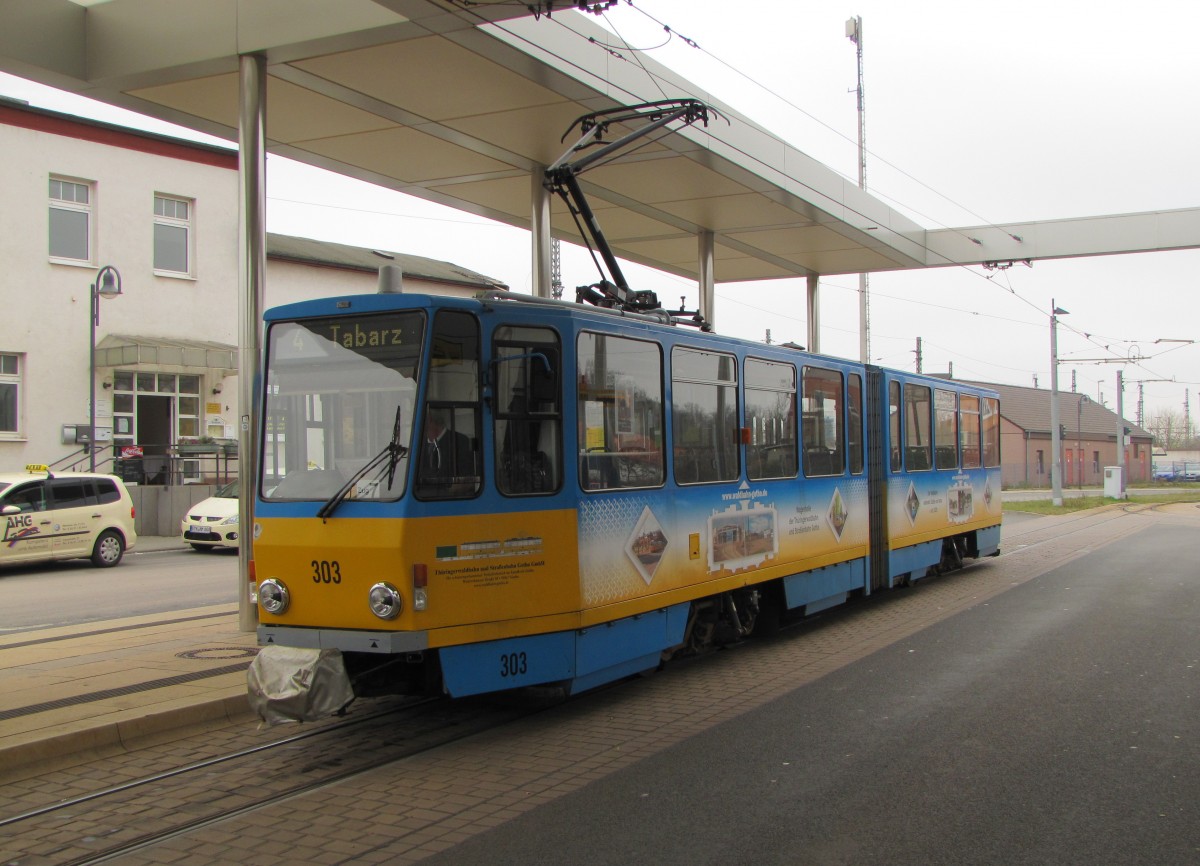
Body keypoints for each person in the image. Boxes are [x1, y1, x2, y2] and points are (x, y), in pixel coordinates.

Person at [418, 407, 475, 495]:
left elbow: (468, 480)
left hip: (450, 501)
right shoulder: (419, 445)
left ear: (429, 419)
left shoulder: (460, 441)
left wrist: (447, 491)